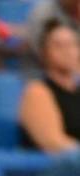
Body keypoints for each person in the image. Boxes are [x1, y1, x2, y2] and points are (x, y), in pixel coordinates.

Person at [20, 19, 80, 153]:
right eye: (59, 45)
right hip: (53, 167)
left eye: (72, 44)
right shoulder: (37, 91)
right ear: (44, 53)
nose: (67, 51)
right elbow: (52, 142)